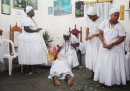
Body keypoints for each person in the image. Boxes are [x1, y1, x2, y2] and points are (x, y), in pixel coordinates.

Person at [94, 8, 130, 87]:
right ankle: (104, 80)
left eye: (118, 15)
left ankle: (115, 82)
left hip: (116, 49)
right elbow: (100, 33)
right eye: (115, 15)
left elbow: (121, 38)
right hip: (105, 48)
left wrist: (112, 44)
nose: (117, 17)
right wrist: (103, 43)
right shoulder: (104, 23)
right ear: (110, 15)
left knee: (115, 66)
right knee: (105, 64)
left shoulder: (120, 26)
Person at [18, 6, 48, 76]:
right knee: (28, 54)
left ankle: (31, 70)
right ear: (29, 12)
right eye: (33, 11)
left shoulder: (30, 18)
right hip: (28, 39)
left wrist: (36, 30)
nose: (34, 12)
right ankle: (27, 71)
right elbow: (26, 29)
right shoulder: (26, 19)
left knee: (32, 54)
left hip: (31, 39)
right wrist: (36, 30)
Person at [85, 6, 103, 79]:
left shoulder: (101, 20)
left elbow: (102, 32)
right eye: (89, 17)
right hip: (90, 42)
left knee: (97, 57)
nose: (90, 19)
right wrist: (87, 36)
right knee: (91, 57)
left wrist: (93, 35)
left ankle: (98, 75)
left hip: (98, 41)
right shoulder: (89, 20)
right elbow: (87, 29)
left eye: (91, 17)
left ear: (95, 15)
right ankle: (91, 74)